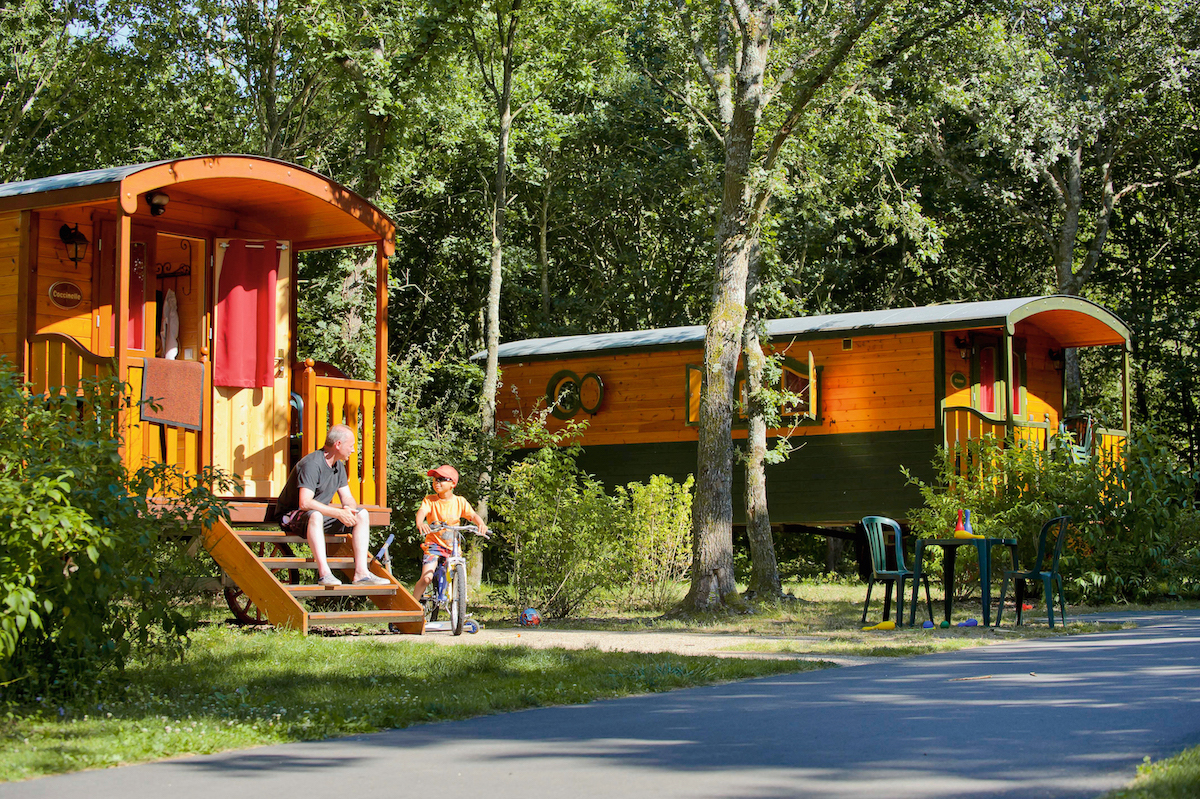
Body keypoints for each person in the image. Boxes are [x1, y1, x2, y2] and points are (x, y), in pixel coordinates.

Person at [276, 424, 389, 586]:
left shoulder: (338, 467)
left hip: (318, 517)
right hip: (292, 517)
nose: (353, 450)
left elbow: (347, 497)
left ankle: (361, 573)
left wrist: (348, 509)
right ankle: (324, 574)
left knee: (361, 514)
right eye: (351, 446)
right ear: (338, 445)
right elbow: (305, 502)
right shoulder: (312, 464)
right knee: (315, 515)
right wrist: (337, 514)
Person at [413, 464, 488, 599]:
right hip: (433, 545)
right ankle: (412, 607)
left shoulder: (459, 501)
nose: (437, 482)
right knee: (426, 578)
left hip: (453, 547)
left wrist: (481, 524)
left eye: (441, 479)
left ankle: (458, 606)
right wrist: (420, 523)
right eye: (435, 479)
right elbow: (422, 511)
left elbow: (472, 516)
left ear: (452, 483)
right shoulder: (430, 500)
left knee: (457, 576)